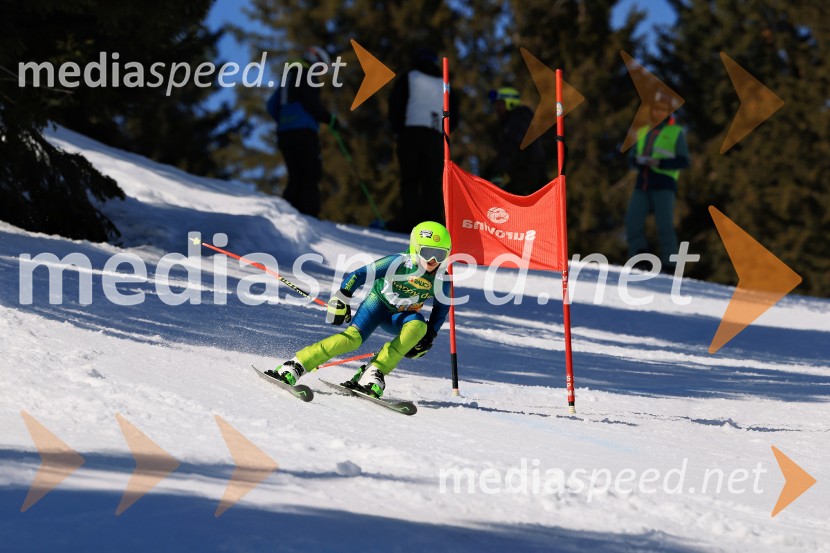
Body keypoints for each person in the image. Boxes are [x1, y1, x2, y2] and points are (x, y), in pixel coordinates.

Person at [268, 221, 452, 398]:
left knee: (419, 327)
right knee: (352, 339)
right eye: (428, 252)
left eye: (440, 255)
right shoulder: (398, 263)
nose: (433, 260)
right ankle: (296, 364)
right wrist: (343, 297)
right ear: (415, 248)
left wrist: (429, 337)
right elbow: (359, 274)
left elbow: (442, 308)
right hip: (377, 305)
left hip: (401, 316)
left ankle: (374, 372)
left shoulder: (442, 279)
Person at [387, 48, 458, 232]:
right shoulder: (444, 82)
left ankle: (409, 222)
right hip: (435, 136)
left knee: (409, 180)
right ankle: (432, 225)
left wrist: (398, 130)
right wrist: (444, 131)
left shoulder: (409, 76)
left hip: (410, 132)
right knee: (432, 182)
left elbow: (395, 104)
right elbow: (454, 113)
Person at [266, 46, 340, 218]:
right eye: (321, 67)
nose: (320, 72)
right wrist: (329, 119)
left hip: (285, 133)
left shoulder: (288, 76)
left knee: (295, 175)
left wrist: (284, 120)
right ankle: (308, 214)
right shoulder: (307, 74)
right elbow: (311, 103)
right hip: (304, 131)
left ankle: (289, 213)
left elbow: (271, 105)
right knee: (310, 172)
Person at [625, 90, 690, 272]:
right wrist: (638, 161)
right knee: (632, 222)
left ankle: (670, 265)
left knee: (665, 226)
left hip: (664, 183)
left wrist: (659, 162)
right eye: (657, 109)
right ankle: (639, 258)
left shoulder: (676, 132)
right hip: (643, 182)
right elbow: (631, 158)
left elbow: (683, 160)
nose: (659, 113)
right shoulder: (642, 131)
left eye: (664, 110)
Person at [484, 87, 548, 195]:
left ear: (510, 104)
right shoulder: (513, 123)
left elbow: (509, 149)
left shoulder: (518, 121)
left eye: (500, 104)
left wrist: (496, 174)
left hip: (528, 180)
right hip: (526, 179)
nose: (497, 109)